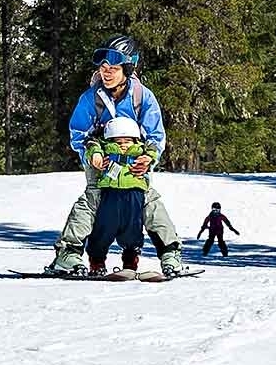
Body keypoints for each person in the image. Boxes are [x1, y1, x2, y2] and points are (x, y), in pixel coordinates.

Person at [44, 35, 187, 278]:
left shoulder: (143, 97)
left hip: (135, 162)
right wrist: (91, 155)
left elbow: (155, 134)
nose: (107, 72)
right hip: (100, 162)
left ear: (128, 69)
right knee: (90, 203)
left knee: (149, 203)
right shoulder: (91, 98)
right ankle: (67, 255)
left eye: (114, 68)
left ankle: (170, 255)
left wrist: (148, 159)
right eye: (103, 67)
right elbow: (78, 132)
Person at [83, 116, 150, 274]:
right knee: (103, 227)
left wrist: (149, 158)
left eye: (127, 141)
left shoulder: (141, 151)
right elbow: (92, 146)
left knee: (133, 227)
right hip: (110, 193)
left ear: (135, 140)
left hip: (134, 193)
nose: (123, 146)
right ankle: (97, 260)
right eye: (118, 142)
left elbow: (153, 150)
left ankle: (131, 258)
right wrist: (96, 155)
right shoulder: (104, 149)